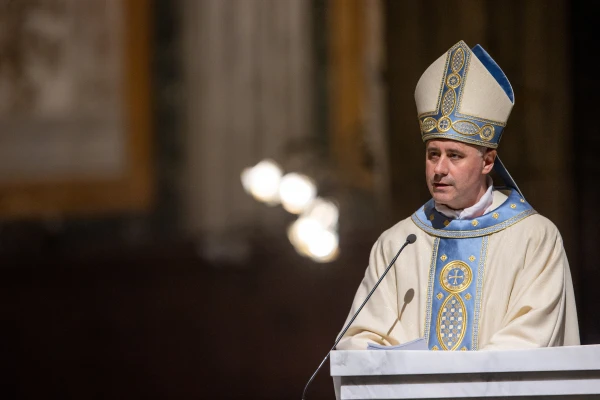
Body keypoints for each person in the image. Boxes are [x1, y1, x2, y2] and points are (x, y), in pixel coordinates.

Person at [337, 40, 580, 351]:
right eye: (432, 154)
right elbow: (358, 341)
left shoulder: (534, 238)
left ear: (488, 162)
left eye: (454, 155)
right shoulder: (398, 243)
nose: (439, 168)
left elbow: (530, 340)